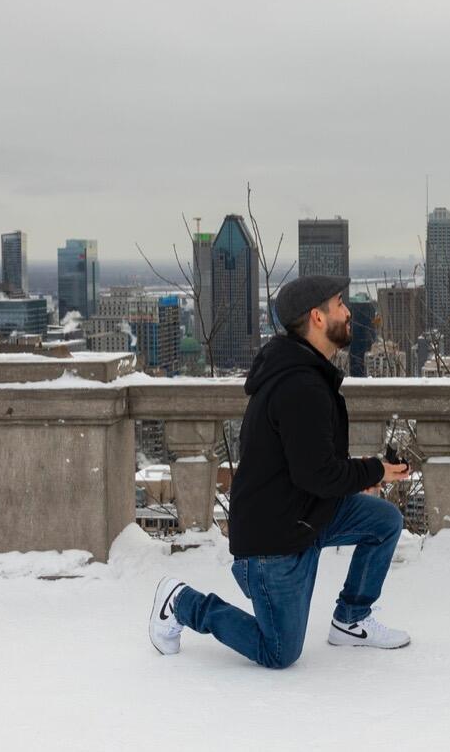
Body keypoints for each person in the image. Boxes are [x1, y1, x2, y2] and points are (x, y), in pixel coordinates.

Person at [147, 275, 413, 669]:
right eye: (339, 303)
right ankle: (181, 602)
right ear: (316, 318)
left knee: (384, 521)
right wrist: (375, 471)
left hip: (306, 514)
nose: (347, 311)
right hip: (274, 541)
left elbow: (313, 468)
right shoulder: (298, 385)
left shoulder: (305, 369)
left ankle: (351, 619)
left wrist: (366, 476)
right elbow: (318, 474)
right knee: (279, 653)